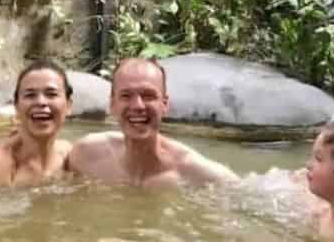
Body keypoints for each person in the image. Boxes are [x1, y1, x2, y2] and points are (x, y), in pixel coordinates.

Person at [66, 57, 239, 187]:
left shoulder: (199, 175)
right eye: (126, 96)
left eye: (148, 96)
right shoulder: (85, 155)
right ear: (112, 104)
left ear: (164, 105)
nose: (138, 106)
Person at [0, 60, 73, 194]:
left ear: (69, 105)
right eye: (30, 95)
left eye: (51, 94)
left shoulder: (69, 155)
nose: (41, 102)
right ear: (16, 107)